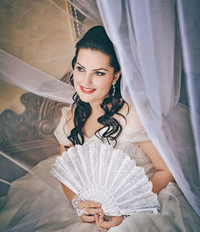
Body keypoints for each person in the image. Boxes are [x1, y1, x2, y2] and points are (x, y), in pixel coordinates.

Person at [54, 25, 174, 231]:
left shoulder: (132, 117)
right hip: (90, 211)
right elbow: (67, 172)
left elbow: (167, 171)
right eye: (80, 69)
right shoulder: (71, 117)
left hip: (141, 208)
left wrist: (129, 209)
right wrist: (79, 205)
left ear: (116, 76)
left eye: (99, 73)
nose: (86, 81)